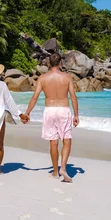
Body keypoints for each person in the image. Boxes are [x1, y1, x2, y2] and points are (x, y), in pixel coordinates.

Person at [22, 53, 79, 182]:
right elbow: (73, 97)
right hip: (64, 109)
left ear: (48, 64)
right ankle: (63, 167)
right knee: (66, 139)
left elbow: (35, 97)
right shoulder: (67, 77)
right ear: (60, 63)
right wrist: (76, 115)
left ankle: (55, 172)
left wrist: (27, 113)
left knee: (53, 142)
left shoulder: (42, 78)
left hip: (49, 110)